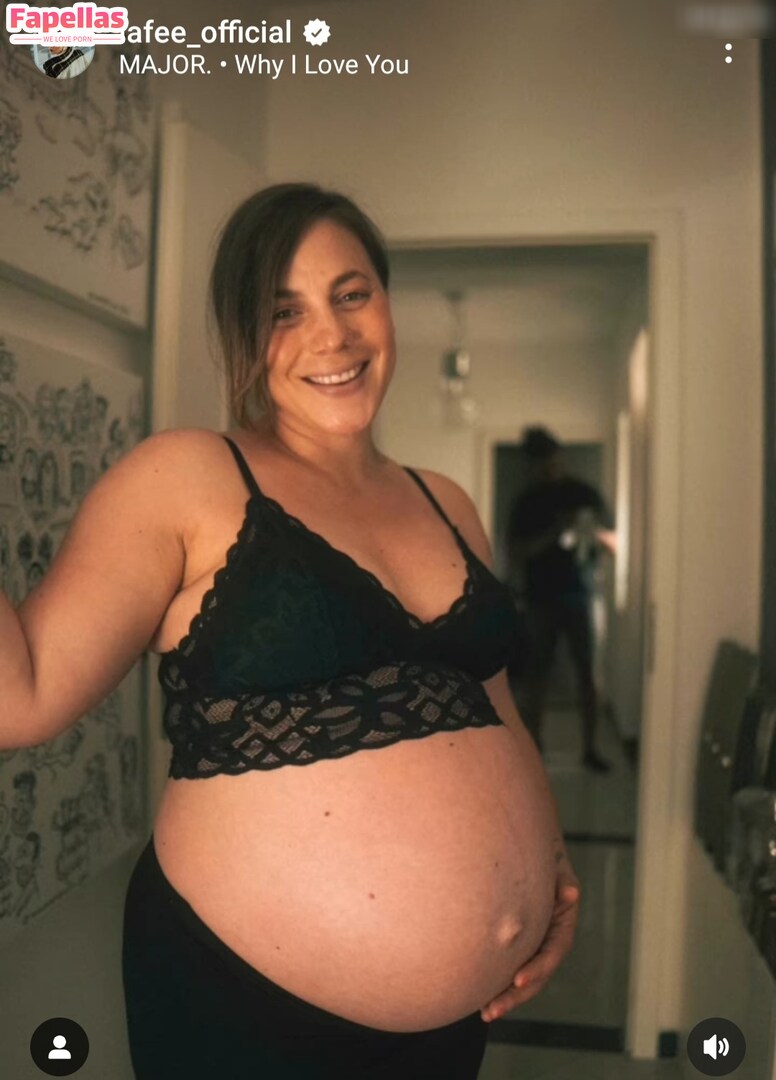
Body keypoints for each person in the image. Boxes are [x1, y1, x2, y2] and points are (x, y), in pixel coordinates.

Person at [1, 184, 581, 1079]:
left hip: (452, 1029)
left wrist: (549, 868)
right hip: (248, 1013)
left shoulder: (448, 502)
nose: (333, 336)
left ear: (386, 301)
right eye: (285, 311)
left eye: (352, 294)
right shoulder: (188, 476)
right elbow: (21, 695)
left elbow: (492, 702)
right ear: (242, 333)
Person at [506, 426, 617, 773]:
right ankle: (534, 747)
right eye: (540, 461)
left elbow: (613, 541)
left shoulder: (584, 494)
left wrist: (590, 532)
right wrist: (554, 533)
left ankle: (590, 749)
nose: (547, 466)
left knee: (586, 674)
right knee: (536, 674)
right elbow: (517, 551)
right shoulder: (527, 502)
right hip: (540, 598)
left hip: (579, 593)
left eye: (550, 458)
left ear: (559, 456)